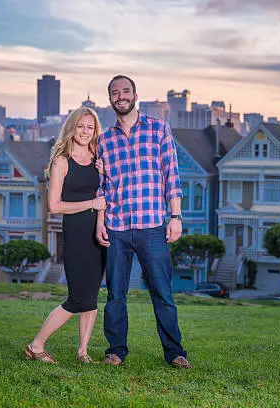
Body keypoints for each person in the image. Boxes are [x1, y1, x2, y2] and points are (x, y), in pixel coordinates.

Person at [95, 75, 192, 369]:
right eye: (115, 92)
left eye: (125, 91)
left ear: (135, 95)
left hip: (152, 225)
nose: (120, 96)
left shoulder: (159, 129)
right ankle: (116, 351)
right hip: (117, 228)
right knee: (115, 296)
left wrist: (175, 216)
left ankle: (175, 353)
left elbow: (171, 177)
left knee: (162, 293)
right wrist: (100, 221)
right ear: (110, 99)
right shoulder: (104, 140)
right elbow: (102, 187)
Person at [25, 107, 107, 364]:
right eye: (81, 126)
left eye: (90, 127)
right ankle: (35, 345)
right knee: (77, 298)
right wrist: (91, 204)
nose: (85, 132)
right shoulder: (61, 160)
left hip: (98, 233)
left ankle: (83, 352)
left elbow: (105, 197)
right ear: (72, 128)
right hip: (76, 233)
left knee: (92, 297)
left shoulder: (98, 157)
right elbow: (55, 206)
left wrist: (105, 177)